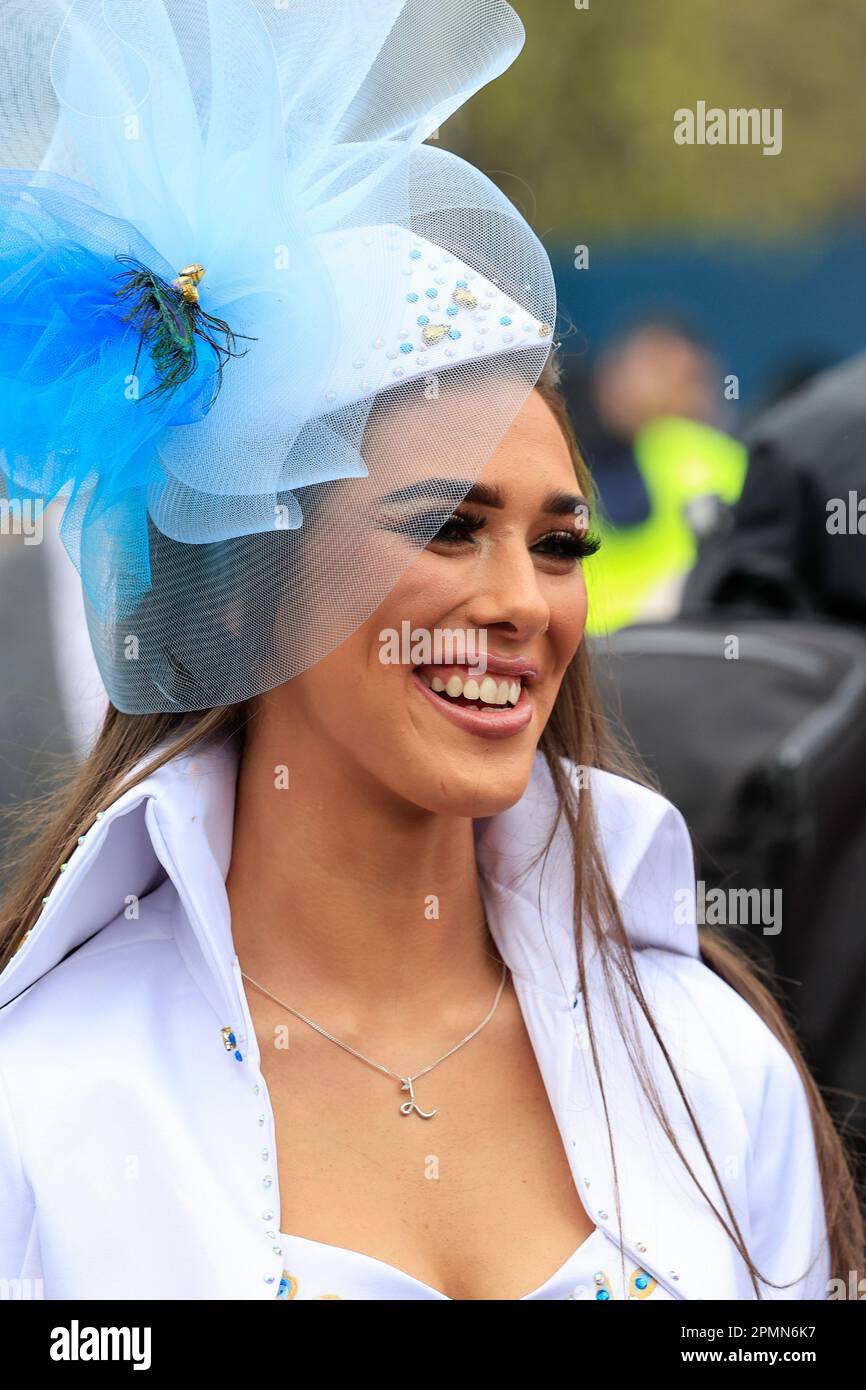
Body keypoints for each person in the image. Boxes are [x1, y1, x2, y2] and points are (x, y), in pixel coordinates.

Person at [0, 0, 861, 1302]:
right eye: (447, 526)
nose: (522, 599)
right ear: (242, 590)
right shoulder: (45, 1115)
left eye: (562, 542)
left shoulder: (708, 1068)